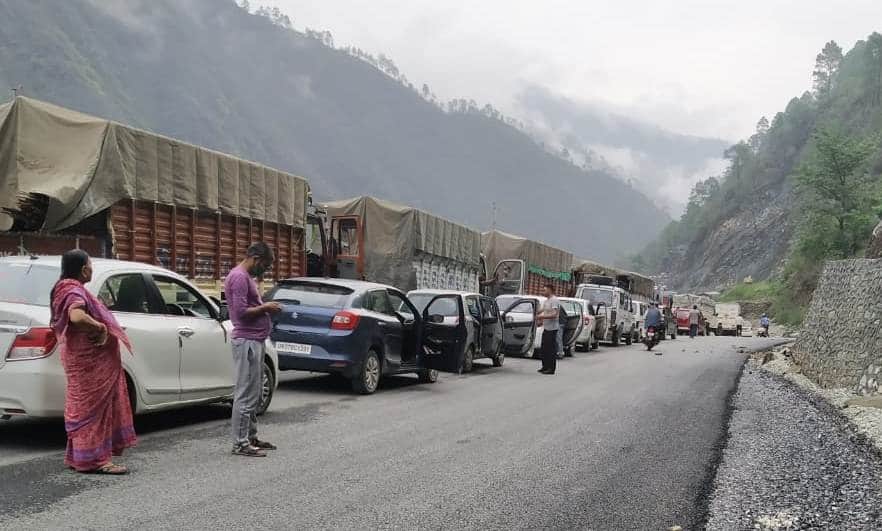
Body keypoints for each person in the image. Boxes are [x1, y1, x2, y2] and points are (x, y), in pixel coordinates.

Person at [50, 249, 136, 474]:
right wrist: (100, 327)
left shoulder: (63, 289)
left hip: (79, 359)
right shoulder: (73, 291)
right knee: (94, 410)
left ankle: (79, 457)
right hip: (89, 363)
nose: (92, 269)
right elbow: (76, 317)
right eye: (90, 265)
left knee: (82, 408)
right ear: (83, 269)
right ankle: (97, 461)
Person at [225, 242, 283, 457]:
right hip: (247, 341)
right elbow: (240, 312)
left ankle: (250, 437)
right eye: (265, 265)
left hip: (255, 340)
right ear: (256, 259)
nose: (265, 270)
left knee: (255, 392)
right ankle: (240, 443)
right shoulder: (239, 277)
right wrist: (266, 307)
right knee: (246, 394)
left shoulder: (246, 277)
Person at [535, 284, 560, 375]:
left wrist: (541, 317)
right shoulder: (546, 301)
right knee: (544, 348)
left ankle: (551, 368)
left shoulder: (554, 300)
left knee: (550, 349)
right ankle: (545, 366)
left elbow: (554, 314)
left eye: (544, 290)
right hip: (546, 328)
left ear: (550, 290)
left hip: (552, 329)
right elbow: (541, 310)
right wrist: (535, 312)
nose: (543, 292)